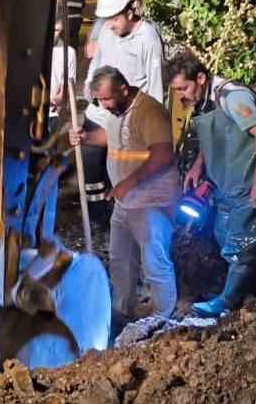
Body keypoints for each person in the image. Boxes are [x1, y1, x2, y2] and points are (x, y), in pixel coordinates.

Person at [167, 51, 256, 319]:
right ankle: (238, 292)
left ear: (201, 78)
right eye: (176, 90)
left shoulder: (232, 97)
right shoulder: (205, 100)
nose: (181, 95)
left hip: (247, 181)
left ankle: (230, 302)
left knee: (242, 244)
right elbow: (219, 134)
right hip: (226, 181)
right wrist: (199, 165)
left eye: (184, 87)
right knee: (224, 234)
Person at [69, 66, 180, 320]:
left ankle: (164, 318)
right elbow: (109, 137)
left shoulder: (149, 111)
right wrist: (84, 137)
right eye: (100, 100)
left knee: (154, 263)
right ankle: (122, 311)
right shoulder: (116, 111)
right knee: (120, 261)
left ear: (124, 88)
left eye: (107, 98)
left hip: (153, 201)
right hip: (125, 201)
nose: (104, 105)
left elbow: (163, 155)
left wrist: (128, 182)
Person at [79, 0, 166, 222]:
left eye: (114, 18)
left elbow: (156, 85)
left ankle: (121, 214)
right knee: (90, 162)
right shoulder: (108, 32)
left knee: (121, 170)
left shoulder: (148, 38)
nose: (109, 24)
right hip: (99, 113)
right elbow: (97, 65)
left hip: (128, 117)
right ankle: (97, 218)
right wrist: (89, 86)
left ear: (129, 11)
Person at [48, 17, 77, 122]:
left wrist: (62, 95)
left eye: (56, 30)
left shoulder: (69, 52)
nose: (52, 34)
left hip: (53, 113)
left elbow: (70, 83)